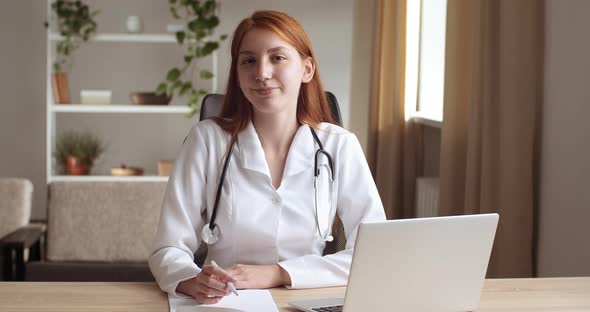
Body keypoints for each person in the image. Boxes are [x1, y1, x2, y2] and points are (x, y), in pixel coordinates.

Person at [148, 10, 386, 304]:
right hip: (225, 302)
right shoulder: (207, 140)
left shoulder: (339, 145)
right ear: (237, 72)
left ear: (307, 69)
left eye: (277, 58)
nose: (261, 73)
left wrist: (279, 273)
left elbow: (374, 254)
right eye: (248, 60)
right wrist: (189, 279)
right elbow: (167, 248)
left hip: (306, 299)